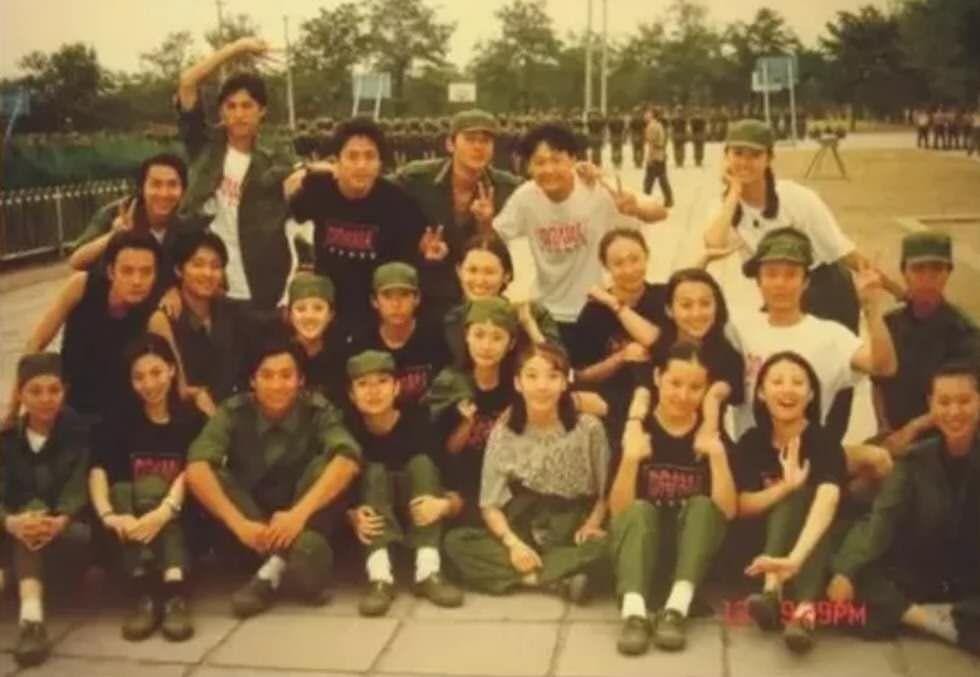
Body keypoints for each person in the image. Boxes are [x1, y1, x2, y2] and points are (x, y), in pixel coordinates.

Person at [185, 339, 361, 618]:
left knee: (328, 465)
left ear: (301, 380)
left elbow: (348, 460)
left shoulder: (317, 410)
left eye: (286, 375)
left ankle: (269, 575)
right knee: (212, 472)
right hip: (251, 527)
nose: (277, 385)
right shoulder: (234, 412)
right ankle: (287, 564)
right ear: (252, 381)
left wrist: (297, 516)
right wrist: (239, 524)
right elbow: (196, 468)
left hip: (302, 521)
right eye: (266, 376)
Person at [826, 362, 980, 655]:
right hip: (922, 572)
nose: (954, 412)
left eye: (964, 401)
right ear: (931, 405)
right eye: (944, 402)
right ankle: (930, 620)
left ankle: (923, 614)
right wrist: (847, 571)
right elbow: (881, 520)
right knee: (847, 564)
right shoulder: (915, 460)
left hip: (972, 575)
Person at [443, 342, 609, 598]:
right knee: (456, 543)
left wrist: (592, 524)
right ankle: (549, 578)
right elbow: (489, 504)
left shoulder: (589, 428)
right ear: (518, 383)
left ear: (565, 383)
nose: (542, 386)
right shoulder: (505, 431)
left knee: (607, 545)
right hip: (525, 523)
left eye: (552, 376)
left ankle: (536, 574)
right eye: (532, 376)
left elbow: (605, 492)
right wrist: (513, 545)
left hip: (572, 524)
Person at [608, 343, 736, 655]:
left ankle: (676, 609)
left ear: (706, 389)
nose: (683, 395)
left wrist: (717, 457)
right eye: (674, 383)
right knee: (639, 510)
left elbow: (728, 512)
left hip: (690, 552)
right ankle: (634, 614)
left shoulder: (711, 434)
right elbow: (619, 512)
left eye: (695, 387)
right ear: (657, 378)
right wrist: (630, 459)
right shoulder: (638, 430)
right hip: (642, 547)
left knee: (702, 506)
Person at [727, 228, 898, 455]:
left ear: (805, 281)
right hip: (752, 458)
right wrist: (704, 259)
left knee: (877, 460)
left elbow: (884, 366)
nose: (780, 283)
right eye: (771, 274)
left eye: (791, 275)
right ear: (758, 281)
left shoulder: (830, 335)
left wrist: (872, 308)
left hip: (812, 457)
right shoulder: (738, 330)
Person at [493, 123, 668, 344]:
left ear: (573, 159)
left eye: (556, 160)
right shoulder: (525, 198)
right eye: (539, 162)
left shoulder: (598, 187)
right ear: (528, 167)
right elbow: (495, 237)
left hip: (599, 307)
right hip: (548, 312)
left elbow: (659, 212)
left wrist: (635, 208)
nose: (549, 169)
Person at [89, 336, 205, 642]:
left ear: (171, 370)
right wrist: (109, 516)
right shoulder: (118, 421)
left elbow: (194, 470)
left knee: (157, 490)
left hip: (177, 517)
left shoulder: (191, 419)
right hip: (131, 522)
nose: (149, 384)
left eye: (156, 372)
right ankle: (145, 594)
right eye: (139, 377)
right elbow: (99, 470)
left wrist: (165, 511)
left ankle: (174, 592)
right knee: (123, 490)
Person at [733, 351, 847, 653]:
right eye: (777, 382)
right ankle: (773, 595)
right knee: (791, 494)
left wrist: (794, 559)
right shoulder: (752, 442)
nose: (787, 390)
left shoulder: (824, 441)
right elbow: (742, 505)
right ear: (761, 393)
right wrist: (785, 486)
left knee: (806, 497)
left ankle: (800, 610)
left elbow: (829, 497)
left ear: (811, 395)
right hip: (762, 547)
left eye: (798, 383)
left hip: (811, 546)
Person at [176, 37, 295, 312]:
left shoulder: (276, 160)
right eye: (231, 106)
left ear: (261, 110)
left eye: (247, 105)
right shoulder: (204, 146)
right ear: (221, 111)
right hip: (211, 285)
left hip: (264, 287)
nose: (239, 114)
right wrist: (237, 48)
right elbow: (187, 83)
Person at [343, 350, 464, 616]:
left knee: (422, 463)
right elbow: (342, 489)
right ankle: (379, 575)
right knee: (374, 472)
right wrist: (351, 515)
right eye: (363, 384)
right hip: (376, 510)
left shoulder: (419, 423)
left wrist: (444, 505)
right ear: (351, 395)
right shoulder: (348, 429)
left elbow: (453, 480)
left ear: (397, 388)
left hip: (417, 510)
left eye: (382, 382)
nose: (373, 392)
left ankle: (428, 570)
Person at [287, 117, 433, 334]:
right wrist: (305, 172)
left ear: (380, 163)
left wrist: (429, 253)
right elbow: (288, 209)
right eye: (352, 156)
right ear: (336, 161)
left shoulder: (399, 202)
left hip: (378, 315)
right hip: (328, 313)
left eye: (369, 157)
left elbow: (416, 256)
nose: (361, 165)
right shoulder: (319, 190)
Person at [7, 231, 162, 424]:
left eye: (146, 272)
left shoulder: (155, 314)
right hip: (68, 406)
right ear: (111, 271)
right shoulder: (82, 286)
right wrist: (12, 411)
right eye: (127, 271)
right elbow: (36, 344)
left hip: (119, 413)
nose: (137, 281)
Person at [1, 354, 91, 667]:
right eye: (35, 391)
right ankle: (32, 620)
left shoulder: (78, 437)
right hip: (15, 534)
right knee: (27, 525)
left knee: (37, 526)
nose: (45, 399)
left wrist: (59, 520)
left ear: (64, 392)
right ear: (21, 394)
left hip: (66, 540)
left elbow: (78, 489)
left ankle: (25, 599)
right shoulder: (6, 441)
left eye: (54, 390)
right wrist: (12, 522)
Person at [390, 109, 522, 322]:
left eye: (485, 141)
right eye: (470, 139)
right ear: (450, 144)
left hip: (484, 293)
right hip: (427, 289)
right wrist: (417, 245)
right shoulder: (416, 178)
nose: (478, 147)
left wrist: (487, 225)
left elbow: (512, 251)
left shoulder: (508, 188)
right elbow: (377, 194)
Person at [873, 232, 980, 453]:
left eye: (937, 270)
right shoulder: (890, 323)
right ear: (904, 273)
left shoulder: (964, 332)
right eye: (918, 269)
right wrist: (884, 430)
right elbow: (878, 383)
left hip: (945, 438)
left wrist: (910, 431)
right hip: (894, 435)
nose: (927, 278)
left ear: (948, 274)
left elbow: (957, 400)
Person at [569, 228, 666, 466]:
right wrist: (620, 357)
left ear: (647, 256)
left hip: (660, 400)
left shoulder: (663, 298)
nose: (629, 269)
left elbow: (657, 341)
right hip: (609, 402)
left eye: (635, 259)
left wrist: (613, 303)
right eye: (619, 263)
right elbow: (581, 374)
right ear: (606, 267)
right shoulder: (593, 312)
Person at [423, 298, 521, 527]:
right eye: (479, 335)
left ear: (511, 343)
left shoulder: (517, 386)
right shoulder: (449, 383)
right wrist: (466, 424)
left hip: (504, 486)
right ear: (466, 335)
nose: (486, 346)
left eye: (497, 337)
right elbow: (444, 452)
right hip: (458, 484)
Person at [148, 230, 251, 416]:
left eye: (216, 266)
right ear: (179, 270)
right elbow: (175, 387)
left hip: (234, 414)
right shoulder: (165, 319)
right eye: (198, 264)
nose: (207, 273)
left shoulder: (233, 311)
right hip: (185, 418)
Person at [444, 233, 561, 367]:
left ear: (506, 276)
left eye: (489, 272)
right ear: (459, 271)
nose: (480, 280)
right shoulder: (453, 318)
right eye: (472, 270)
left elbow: (560, 367)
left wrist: (527, 322)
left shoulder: (535, 313)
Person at [70, 154, 192, 282]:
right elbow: (76, 262)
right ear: (142, 188)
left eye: (172, 185)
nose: (164, 193)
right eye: (156, 184)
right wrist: (115, 234)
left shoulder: (187, 227)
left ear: (183, 190)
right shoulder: (114, 213)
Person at [349, 263, 449, 409]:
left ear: (417, 298)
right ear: (374, 301)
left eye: (404, 295)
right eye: (387, 296)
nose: (396, 304)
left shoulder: (436, 337)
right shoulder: (362, 343)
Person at [281, 272, 350, 407]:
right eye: (301, 309)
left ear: (330, 315)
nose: (309, 317)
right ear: (289, 315)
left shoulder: (343, 357)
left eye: (318, 308)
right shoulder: (276, 354)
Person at [643, 108, 674, 207]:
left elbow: (651, 144)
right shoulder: (659, 125)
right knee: (662, 179)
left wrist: (650, 158)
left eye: (647, 113)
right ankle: (669, 199)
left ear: (652, 115)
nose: (645, 115)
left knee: (648, 182)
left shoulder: (651, 126)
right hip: (660, 155)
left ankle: (645, 200)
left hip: (655, 156)